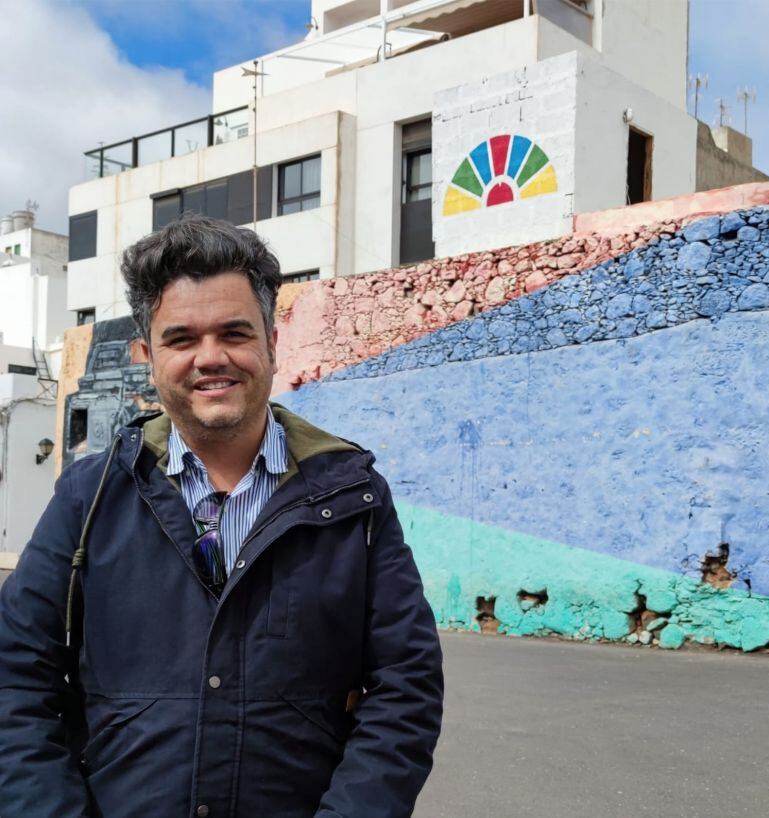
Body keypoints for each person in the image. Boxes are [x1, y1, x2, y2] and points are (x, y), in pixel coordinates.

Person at [0, 215, 443, 818]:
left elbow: (405, 691)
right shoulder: (89, 496)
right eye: (181, 339)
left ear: (271, 342)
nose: (210, 358)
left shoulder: (353, 499)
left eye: (234, 333)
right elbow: (14, 681)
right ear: (146, 355)